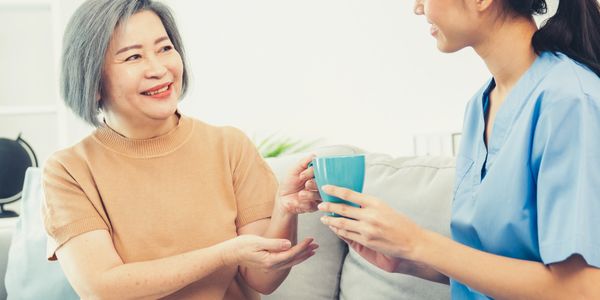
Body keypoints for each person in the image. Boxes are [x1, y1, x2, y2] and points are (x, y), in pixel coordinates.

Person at [317, 0, 600, 298]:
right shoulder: (480, 106)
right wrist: (407, 259)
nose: (417, 8)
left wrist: (419, 242)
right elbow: (499, 263)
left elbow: (582, 289)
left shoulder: (569, 102)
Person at [42, 0, 322, 299]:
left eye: (164, 48)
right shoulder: (68, 170)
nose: (159, 69)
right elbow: (104, 288)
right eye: (134, 56)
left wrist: (284, 209)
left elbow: (262, 279)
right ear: (93, 80)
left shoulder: (230, 146)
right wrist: (223, 255)